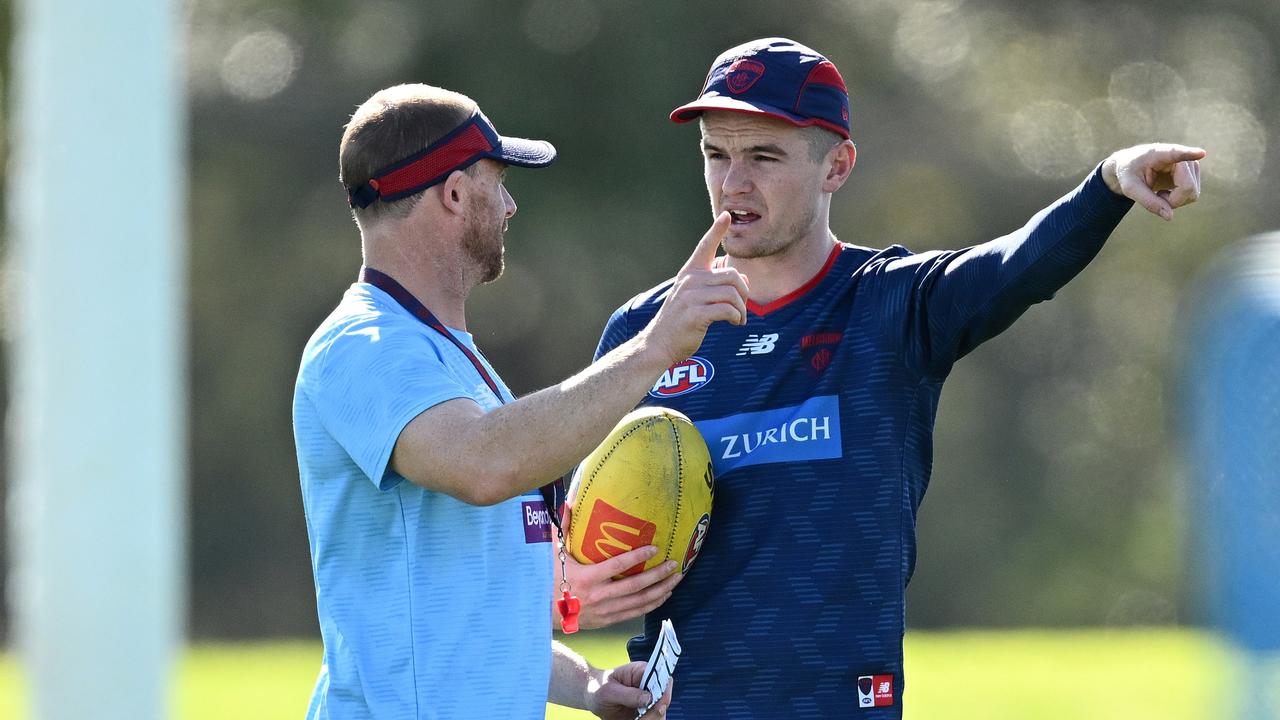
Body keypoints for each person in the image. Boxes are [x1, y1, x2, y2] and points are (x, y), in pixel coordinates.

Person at [591, 38, 1204, 718]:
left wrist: (1108, 186)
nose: (733, 183)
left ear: (837, 166)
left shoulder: (892, 306)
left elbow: (1016, 265)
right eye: (716, 154)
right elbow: (562, 526)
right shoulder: (644, 332)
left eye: (764, 156)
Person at [292, 83, 751, 718]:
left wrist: (586, 685)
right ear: (454, 194)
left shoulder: (446, 358)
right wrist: (653, 349)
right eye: (497, 182)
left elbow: (481, 611)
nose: (509, 206)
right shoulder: (364, 343)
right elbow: (482, 463)